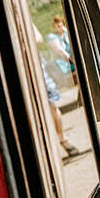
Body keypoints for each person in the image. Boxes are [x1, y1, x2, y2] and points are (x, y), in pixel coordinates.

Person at [34, 23, 79, 157]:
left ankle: (62, 140)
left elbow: (38, 38)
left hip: (35, 66)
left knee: (51, 104)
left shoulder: (17, 12)